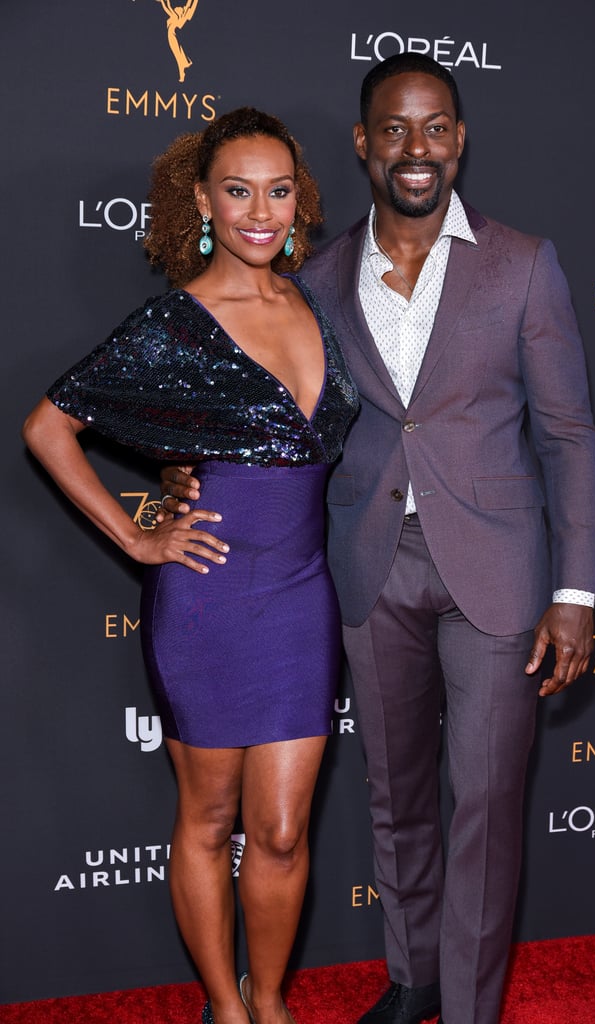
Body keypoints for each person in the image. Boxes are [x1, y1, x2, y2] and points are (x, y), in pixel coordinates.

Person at [161, 54, 595, 1024]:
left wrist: (575, 594)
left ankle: (474, 1007)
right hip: (362, 565)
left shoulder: (523, 263)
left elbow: (569, 433)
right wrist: (181, 469)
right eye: (395, 129)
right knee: (396, 800)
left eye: (435, 127)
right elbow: (262, 410)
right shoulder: (314, 274)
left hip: (496, 573)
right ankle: (415, 978)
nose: (417, 148)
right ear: (363, 144)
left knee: (483, 807)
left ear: (459, 139)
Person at [22, 108, 358, 1024]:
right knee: (210, 822)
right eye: (239, 191)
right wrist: (137, 539)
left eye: (280, 190)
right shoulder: (176, 323)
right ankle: (225, 1006)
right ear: (202, 201)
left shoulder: (314, 302)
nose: (262, 211)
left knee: (283, 832)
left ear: (301, 197)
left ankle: (273, 1001)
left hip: (299, 600)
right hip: (206, 601)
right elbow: (48, 429)